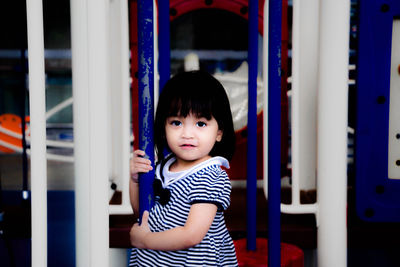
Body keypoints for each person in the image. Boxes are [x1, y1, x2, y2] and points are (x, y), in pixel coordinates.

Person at [128, 70, 238, 266]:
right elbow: (143, 214)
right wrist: (135, 182)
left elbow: (191, 235)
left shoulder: (211, 177)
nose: (187, 134)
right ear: (164, 127)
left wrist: (145, 241)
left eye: (201, 124)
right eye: (176, 122)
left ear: (219, 132)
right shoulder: (162, 167)